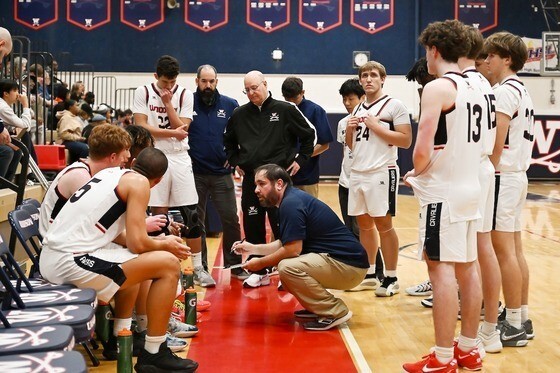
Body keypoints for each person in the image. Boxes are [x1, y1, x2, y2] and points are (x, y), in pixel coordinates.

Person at [40, 147, 199, 372]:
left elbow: (119, 236)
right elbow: (137, 241)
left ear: (133, 162)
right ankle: (154, 352)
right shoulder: (140, 184)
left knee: (142, 260)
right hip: (68, 261)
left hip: (56, 255)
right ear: (159, 180)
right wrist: (166, 244)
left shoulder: (110, 174)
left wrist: (154, 247)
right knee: (168, 264)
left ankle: (125, 335)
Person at [403, 20, 484, 372]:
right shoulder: (481, 86)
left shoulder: (437, 88)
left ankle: (442, 357)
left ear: (434, 51)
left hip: (443, 191)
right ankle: (468, 347)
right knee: (468, 267)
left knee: (440, 273)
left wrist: (416, 173)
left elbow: (422, 149)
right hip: (471, 185)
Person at [232, 164, 368, 331]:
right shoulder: (289, 200)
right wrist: (252, 249)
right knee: (287, 270)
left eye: (262, 184)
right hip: (344, 263)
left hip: (349, 267)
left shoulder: (290, 204)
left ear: (279, 184)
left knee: (287, 268)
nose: (256, 190)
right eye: (256, 185)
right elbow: (284, 243)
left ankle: (334, 311)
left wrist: (260, 264)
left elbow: (293, 249)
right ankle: (316, 307)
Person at [223, 70, 316, 288]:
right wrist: (236, 161)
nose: (251, 93)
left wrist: (301, 159)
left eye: (255, 87)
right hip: (251, 182)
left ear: (265, 84)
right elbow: (227, 142)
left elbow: (309, 134)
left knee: (284, 226)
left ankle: (289, 271)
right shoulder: (239, 114)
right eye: (247, 90)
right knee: (253, 224)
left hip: (278, 182)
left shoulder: (285, 109)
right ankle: (260, 270)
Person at [132, 55, 215, 287]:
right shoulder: (144, 91)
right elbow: (140, 125)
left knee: (191, 214)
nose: (169, 86)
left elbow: (183, 127)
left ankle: (198, 268)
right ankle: (163, 263)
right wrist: (171, 132)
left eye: (172, 81)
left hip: (178, 157)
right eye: (165, 82)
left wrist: (169, 104)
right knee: (159, 214)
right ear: (156, 76)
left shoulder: (184, 94)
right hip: (153, 156)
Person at [485, 31, 535, 347]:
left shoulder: (504, 92)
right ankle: (522, 317)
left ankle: (513, 322)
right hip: (517, 176)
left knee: (504, 252)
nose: (486, 60)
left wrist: (482, 170)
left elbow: (497, 141)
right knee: (515, 250)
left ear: (507, 59)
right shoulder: (523, 90)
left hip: (503, 175)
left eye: (491, 55)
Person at [345, 61, 412, 297]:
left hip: (382, 171)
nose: (368, 79)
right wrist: (350, 131)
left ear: (383, 79)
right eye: (364, 75)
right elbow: (352, 146)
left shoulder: (395, 105)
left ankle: (391, 277)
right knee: (364, 225)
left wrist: (377, 126)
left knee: (384, 225)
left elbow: (405, 140)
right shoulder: (357, 108)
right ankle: (371, 273)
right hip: (359, 172)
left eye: (373, 75)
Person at [459, 25, 502, 353]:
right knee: (480, 249)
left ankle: (478, 333)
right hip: (483, 167)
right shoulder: (487, 85)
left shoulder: (456, 84)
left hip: (469, 170)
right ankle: (487, 328)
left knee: (471, 254)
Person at [188, 64, 246, 279]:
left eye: (211, 81)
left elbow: (242, 134)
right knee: (196, 221)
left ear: (217, 82)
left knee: (231, 219)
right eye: (204, 81)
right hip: (195, 173)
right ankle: (200, 268)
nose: (208, 85)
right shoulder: (187, 102)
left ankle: (234, 265)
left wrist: (235, 157)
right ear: (197, 82)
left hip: (222, 174)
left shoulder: (230, 105)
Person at [336, 78, 385, 282]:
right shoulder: (342, 123)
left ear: (362, 98)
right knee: (350, 230)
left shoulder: (373, 119)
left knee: (364, 228)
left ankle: (378, 270)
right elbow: (345, 151)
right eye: (344, 99)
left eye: (351, 99)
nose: (347, 103)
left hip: (365, 179)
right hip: (345, 182)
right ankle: (360, 269)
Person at [281, 76, 333, 198]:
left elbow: (324, 145)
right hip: (283, 176)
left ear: (303, 93)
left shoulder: (315, 110)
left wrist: (300, 159)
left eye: (295, 98)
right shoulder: (281, 110)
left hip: (307, 176)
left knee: (308, 213)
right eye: (287, 99)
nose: (291, 102)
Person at [57, 99, 89, 163]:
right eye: (76, 105)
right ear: (70, 107)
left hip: (71, 141)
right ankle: (80, 166)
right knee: (84, 148)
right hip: (65, 141)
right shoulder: (66, 117)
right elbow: (63, 134)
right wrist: (78, 138)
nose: (78, 108)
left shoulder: (72, 117)